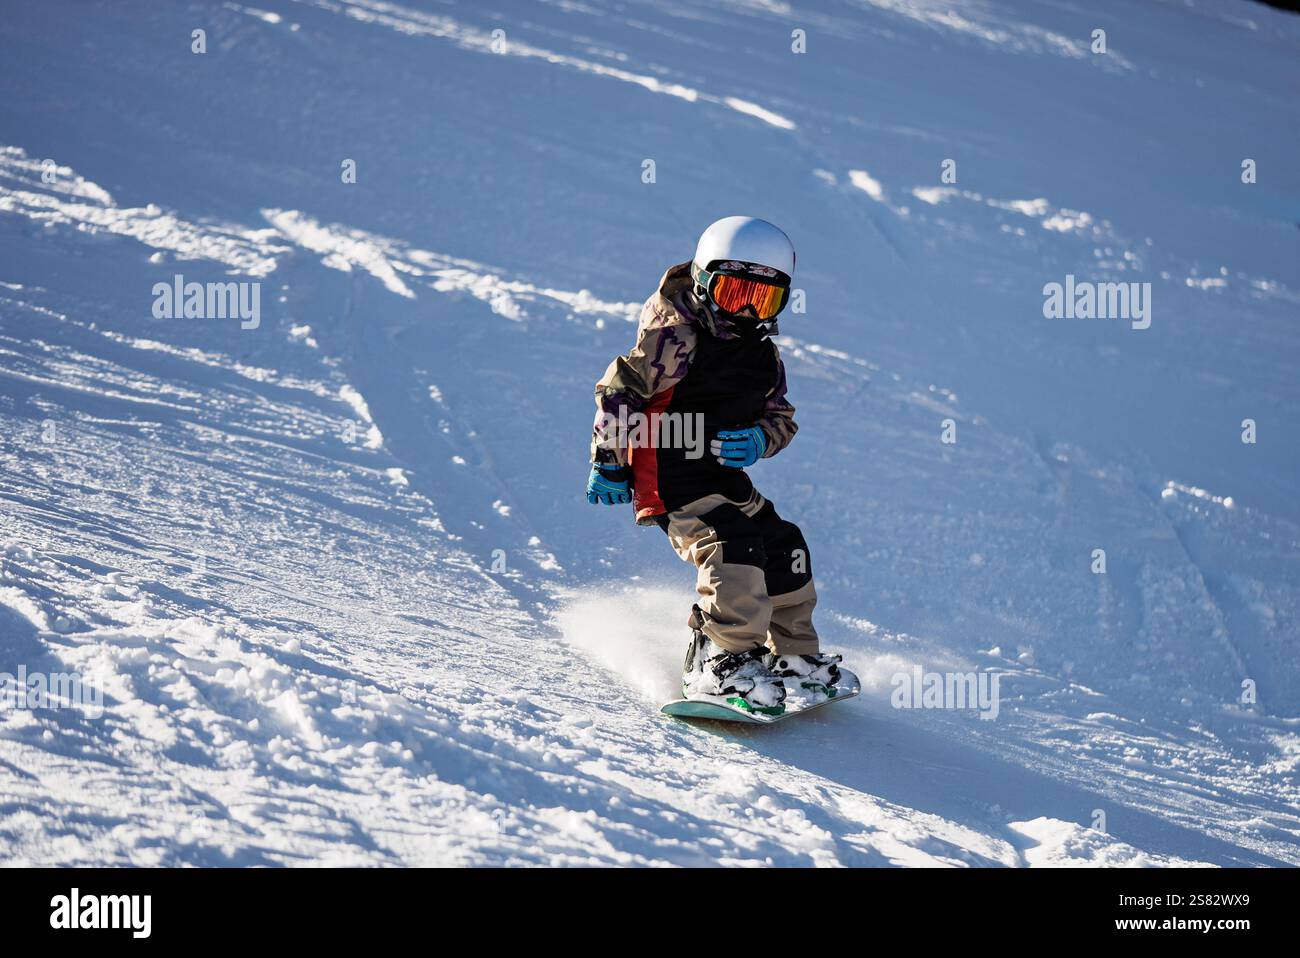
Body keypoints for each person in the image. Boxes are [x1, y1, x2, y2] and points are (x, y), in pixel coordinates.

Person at [586, 216, 858, 716]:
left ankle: (794, 657)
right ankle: (721, 661)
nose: (750, 311)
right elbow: (619, 390)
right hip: (668, 475)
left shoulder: (763, 356)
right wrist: (609, 459)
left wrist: (759, 438)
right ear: (705, 283)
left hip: (721, 479)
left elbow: (781, 417)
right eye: (736, 293)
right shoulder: (673, 337)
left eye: (764, 299)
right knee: (732, 543)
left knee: (783, 543)